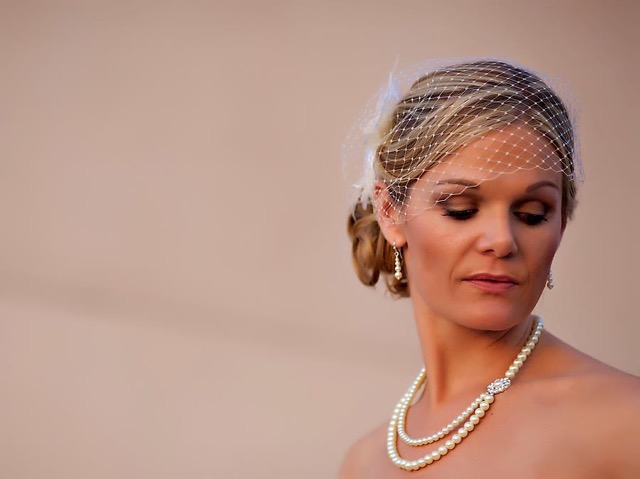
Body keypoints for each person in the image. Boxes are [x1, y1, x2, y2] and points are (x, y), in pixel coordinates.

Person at [340, 60, 640, 478]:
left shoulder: (622, 422)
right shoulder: (366, 462)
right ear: (390, 212)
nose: (502, 240)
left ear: (560, 224)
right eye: (461, 209)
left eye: (532, 214)